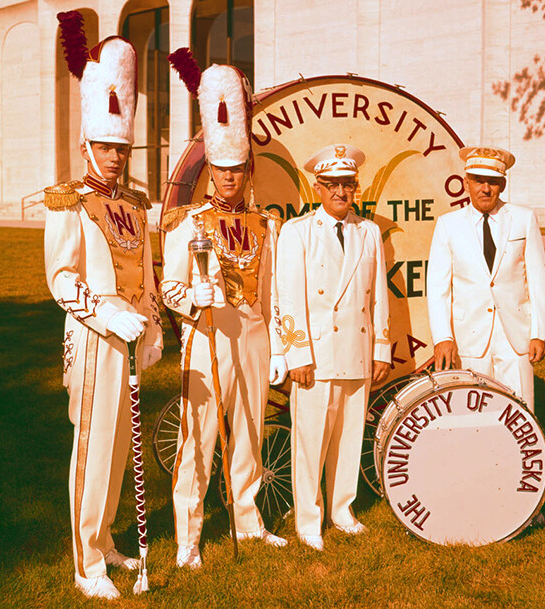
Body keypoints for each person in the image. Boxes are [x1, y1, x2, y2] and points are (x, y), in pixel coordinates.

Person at [44, 24, 163, 601]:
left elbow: (150, 271)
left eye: (123, 148)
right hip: (95, 339)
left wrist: (154, 326)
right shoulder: (70, 200)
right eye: (107, 147)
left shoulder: (135, 205)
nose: (116, 158)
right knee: (91, 450)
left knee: (121, 449)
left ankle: (107, 535)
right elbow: (60, 278)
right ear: (89, 144)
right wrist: (104, 314)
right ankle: (85, 562)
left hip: (134, 338)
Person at [161, 63, 288, 569]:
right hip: (207, 337)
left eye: (238, 169)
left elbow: (273, 294)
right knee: (199, 439)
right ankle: (188, 537)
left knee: (250, 435)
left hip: (254, 339)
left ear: (247, 171)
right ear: (210, 169)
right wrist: (195, 296)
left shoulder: (266, 225)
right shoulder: (187, 222)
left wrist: (279, 347)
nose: (229, 178)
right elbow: (168, 288)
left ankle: (248, 519)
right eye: (221, 169)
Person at [276, 144, 391, 551]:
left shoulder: (369, 231)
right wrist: (297, 355)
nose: (340, 192)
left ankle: (342, 510)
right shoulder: (297, 232)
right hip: (317, 356)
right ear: (317, 188)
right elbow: (287, 299)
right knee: (310, 440)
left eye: (348, 184)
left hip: (357, 350)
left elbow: (378, 295)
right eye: (332, 185)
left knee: (348, 436)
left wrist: (381, 348)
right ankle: (309, 519)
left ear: (355, 188)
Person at [426, 145, 545, 412]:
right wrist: (443, 338)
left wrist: (540, 333)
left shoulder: (523, 219)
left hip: (515, 337)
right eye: (478, 181)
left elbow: (538, 280)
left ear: (502, 185)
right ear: (465, 183)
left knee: (520, 410)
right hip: (468, 336)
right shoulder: (448, 225)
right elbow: (438, 289)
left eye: (493, 182)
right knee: (471, 411)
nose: (485, 188)